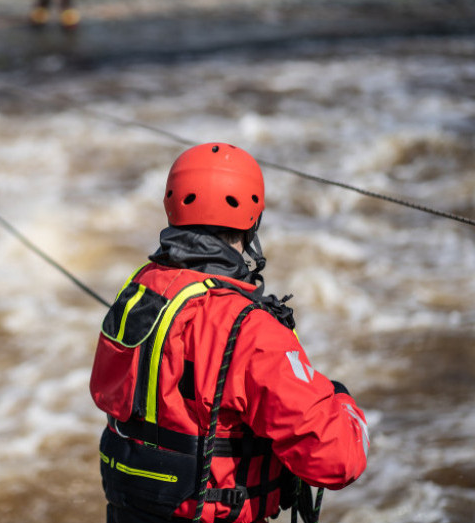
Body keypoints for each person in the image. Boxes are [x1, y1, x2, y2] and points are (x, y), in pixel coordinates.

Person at [90, 142, 369, 523]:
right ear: (252, 221)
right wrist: (342, 402)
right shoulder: (251, 330)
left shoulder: (140, 289)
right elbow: (336, 461)